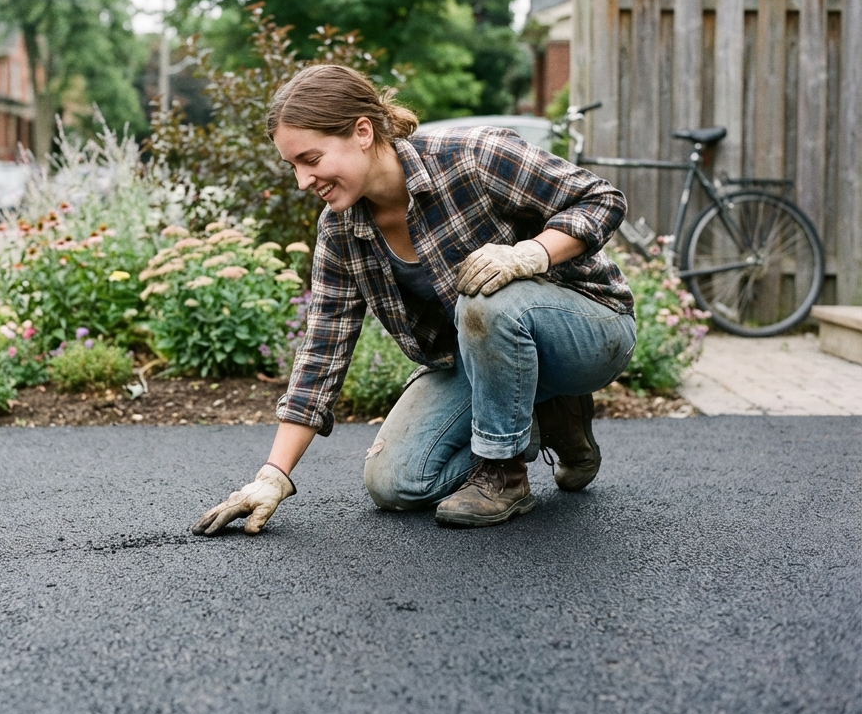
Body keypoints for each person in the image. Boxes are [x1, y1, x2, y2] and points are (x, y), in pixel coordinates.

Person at [191, 65, 636, 534]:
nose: (303, 180)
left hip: (591, 330)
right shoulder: (341, 230)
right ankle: (548, 418)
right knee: (395, 483)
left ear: (363, 132)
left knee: (484, 299)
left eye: (311, 159)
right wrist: (273, 475)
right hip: (483, 360)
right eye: (293, 166)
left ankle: (504, 474)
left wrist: (530, 254)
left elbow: (602, 199)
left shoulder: (473, 157)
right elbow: (323, 350)